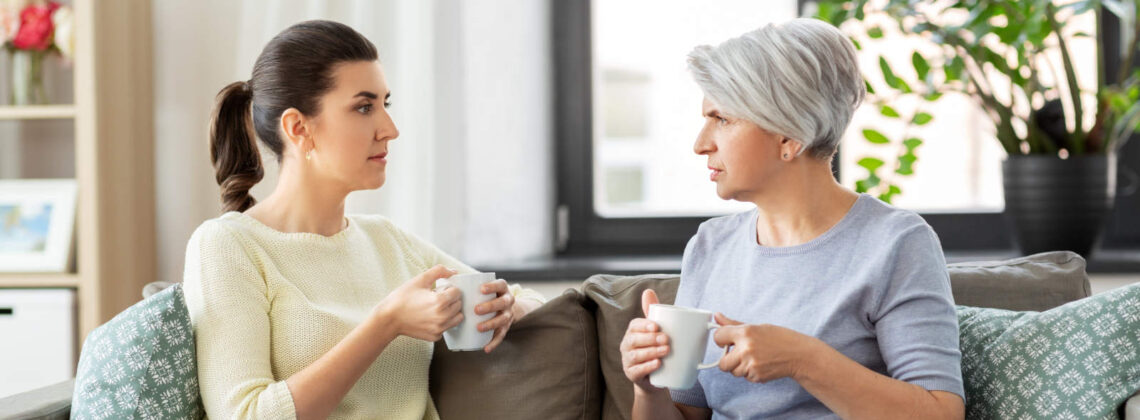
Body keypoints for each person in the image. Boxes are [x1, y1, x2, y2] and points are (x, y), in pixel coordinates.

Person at [182, 20, 544, 420]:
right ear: (298, 128)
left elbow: (529, 299)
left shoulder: (385, 240)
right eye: (364, 107)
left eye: (385, 104)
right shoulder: (228, 246)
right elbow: (245, 415)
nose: (390, 130)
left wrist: (507, 308)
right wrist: (385, 324)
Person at [619, 18, 965, 420]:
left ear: (789, 136)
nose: (700, 144)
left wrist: (805, 361)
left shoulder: (896, 243)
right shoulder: (710, 246)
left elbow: (940, 413)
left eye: (722, 119)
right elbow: (686, 413)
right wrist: (648, 388)